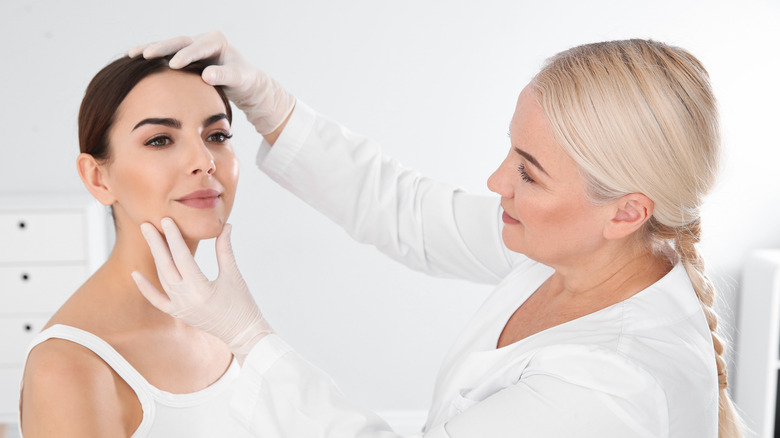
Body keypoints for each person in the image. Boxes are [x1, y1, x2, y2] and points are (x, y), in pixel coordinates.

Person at [130, 32, 744, 437]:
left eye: (529, 172)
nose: (497, 179)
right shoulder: (580, 249)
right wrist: (270, 104)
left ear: (627, 211)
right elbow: (411, 214)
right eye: (512, 149)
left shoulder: (608, 388)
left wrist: (247, 337)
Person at [19, 55, 256, 437]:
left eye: (217, 136)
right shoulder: (69, 366)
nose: (205, 161)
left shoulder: (229, 326)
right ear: (97, 178)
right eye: (160, 140)